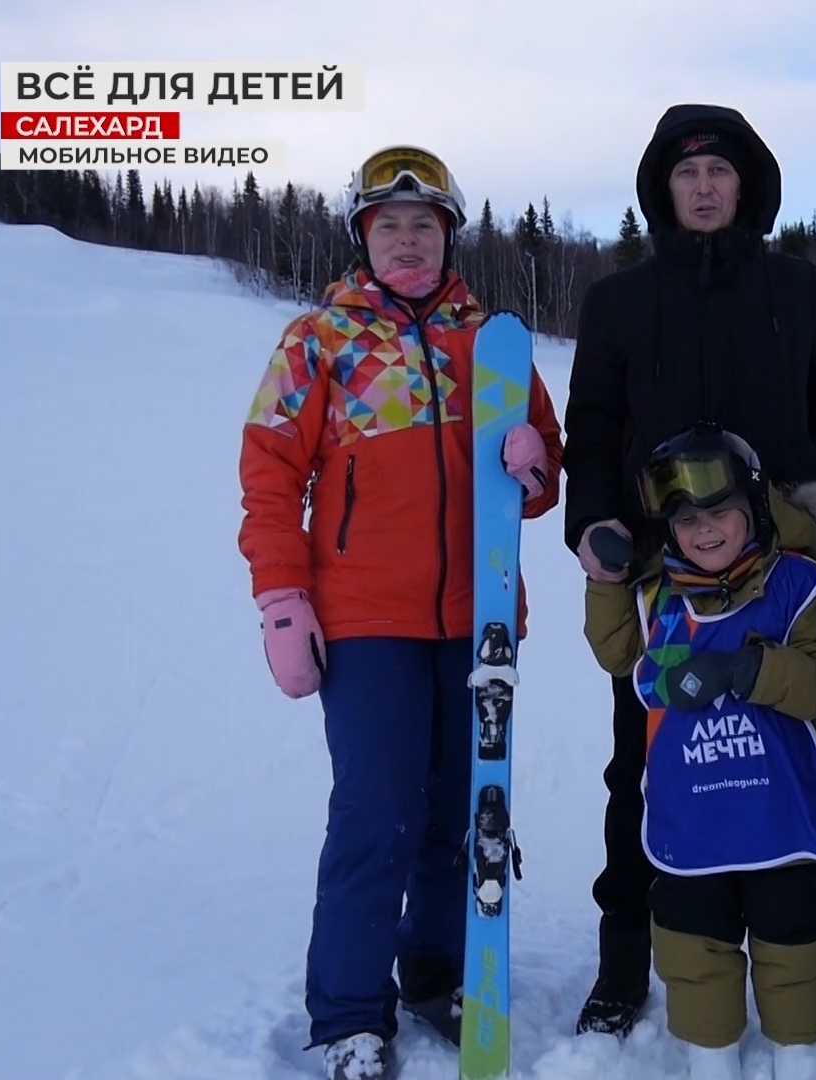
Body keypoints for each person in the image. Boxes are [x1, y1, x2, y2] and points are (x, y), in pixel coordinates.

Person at [237, 145, 565, 1080]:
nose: (409, 241)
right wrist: (282, 596)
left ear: (450, 237)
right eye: (391, 226)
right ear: (362, 238)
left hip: (477, 618)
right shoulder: (319, 341)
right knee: (376, 816)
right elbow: (269, 473)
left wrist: (535, 459)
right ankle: (349, 1013)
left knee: (464, 815)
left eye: (425, 225)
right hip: (367, 620)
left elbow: (536, 487)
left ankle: (438, 973)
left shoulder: (490, 343)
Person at [561, 103, 816, 1036]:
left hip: (779, 570)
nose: (703, 188)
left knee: (795, 758)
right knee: (647, 765)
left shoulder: (794, 287)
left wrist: (815, 496)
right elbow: (593, 430)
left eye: (720, 172)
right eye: (687, 173)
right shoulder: (619, 301)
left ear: (747, 186)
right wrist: (598, 530)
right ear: (664, 188)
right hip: (670, 579)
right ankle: (626, 956)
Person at [583, 423, 816, 1080]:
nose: (704, 530)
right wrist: (605, 577)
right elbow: (618, 652)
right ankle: (713, 1059)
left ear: (755, 509)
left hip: (779, 820)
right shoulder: (662, 598)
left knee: (795, 936)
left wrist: (750, 672)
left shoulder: (797, 585)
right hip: (694, 823)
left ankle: (800, 1055)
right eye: (685, 520)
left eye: (720, 513)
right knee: (691, 937)